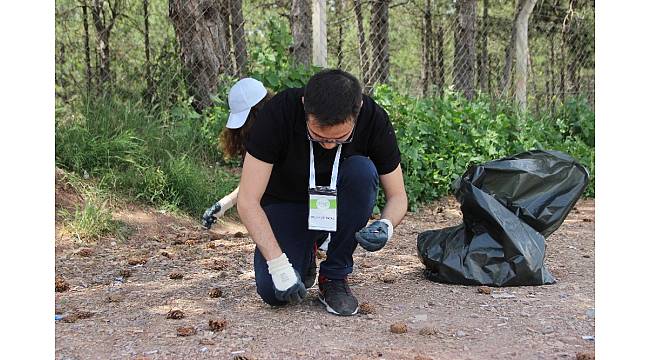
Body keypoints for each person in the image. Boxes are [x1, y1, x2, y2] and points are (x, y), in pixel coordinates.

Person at [237, 69, 408, 316]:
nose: (328, 144)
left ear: (357, 109)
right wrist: (278, 265)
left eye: (340, 139)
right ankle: (305, 252)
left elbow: (398, 196)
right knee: (273, 293)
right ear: (305, 105)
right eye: (317, 136)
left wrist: (387, 224)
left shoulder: (373, 118)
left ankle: (334, 276)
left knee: (363, 171)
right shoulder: (278, 113)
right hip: (286, 204)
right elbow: (247, 201)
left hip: (338, 204)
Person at [202, 78, 271, 229]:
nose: (243, 130)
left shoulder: (279, 133)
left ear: (256, 113)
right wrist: (222, 205)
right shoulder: (261, 139)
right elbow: (254, 182)